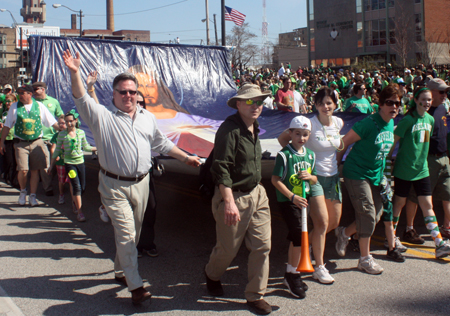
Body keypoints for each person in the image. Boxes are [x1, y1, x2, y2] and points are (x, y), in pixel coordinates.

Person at [62, 49, 201, 304]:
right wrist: (75, 72)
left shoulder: (147, 117)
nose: (128, 95)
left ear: (138, 95)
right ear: (113, 94)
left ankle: (119, 269)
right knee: (127, 235)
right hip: (113, 186)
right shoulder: (101, 117)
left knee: (134, 235)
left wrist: (186, 157)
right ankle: (136, 287)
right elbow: (81, 97)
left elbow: (162, 144)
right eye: (123, 91)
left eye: (132, 92)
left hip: (143, 183)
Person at [205, 84, 272, 315]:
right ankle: (212, 274)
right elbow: (221, 168)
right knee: (228, 250)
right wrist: (229, 202)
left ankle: (255, 295)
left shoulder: (254, 126)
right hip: (234, 196)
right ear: (239, 104)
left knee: (263, 246)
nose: (256, 106)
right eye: (251, 101)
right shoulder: (229, 130)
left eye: (259, 102)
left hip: (257, 193)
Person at [278, 86, 343, 284]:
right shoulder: (310, 124)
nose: (325, 106)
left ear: (335, 104)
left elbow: (339, 147)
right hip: (314, 179)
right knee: (322, 223)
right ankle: (319, 267)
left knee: (334, 223)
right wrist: (297, 157)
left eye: (329, 103)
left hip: (333, 177)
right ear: (315, 105)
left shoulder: (339, 122)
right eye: (321, 103)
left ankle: (310, 246)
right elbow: (283, 138)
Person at [336, 84, 400, 274]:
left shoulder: (390, 123)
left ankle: (344, 233)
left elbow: (381, 154)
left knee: (377, 214)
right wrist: (336, 168)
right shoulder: (368, 123)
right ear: (380, 104)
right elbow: (343, 143)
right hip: (356, 173)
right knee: (368, 214)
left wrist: (383, 179)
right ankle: (364, 259)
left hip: (375, 176)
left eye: (397, 103)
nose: (394, 107)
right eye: (390, 103)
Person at [390, 86, 450, 259]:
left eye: (429, 100)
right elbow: (394, 142)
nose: (426, 103)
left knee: (427, 205)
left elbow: (423, 142)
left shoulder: (430, 120)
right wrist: (387, 162)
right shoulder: (407, 120)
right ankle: (391, 238)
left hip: (422, 169)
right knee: (399, 204)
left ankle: (438, 243)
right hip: (404, 170)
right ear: (415, 100)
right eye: (423, 99)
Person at [272, 116, 320, 299]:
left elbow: (315, 178)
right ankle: (293, 274)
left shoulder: (310, 155)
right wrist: (291, 197)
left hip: (303, 201)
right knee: (299, 236)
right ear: (290, 133)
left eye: (305, 134)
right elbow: (275, 180)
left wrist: (309, 177)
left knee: (297, 237)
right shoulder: (285, 155)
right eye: (297, 133)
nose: (301, 138)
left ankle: (290, 274)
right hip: (288, 201)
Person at [0, 84, 59, 206]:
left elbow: (52, 122)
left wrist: (64, 131)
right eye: (19, 93)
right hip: (21, 143)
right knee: (23, 170)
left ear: (30, 94)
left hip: (37, 141)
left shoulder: (39, 106)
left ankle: (32, 195)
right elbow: (7, 126)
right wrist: (2, 142)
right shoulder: (15, 107)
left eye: (22, 93)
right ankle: (23, 191)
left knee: (35, 171)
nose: (20, 95)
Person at [48, 110, 97, 222]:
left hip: (80, 162)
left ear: (75, 121)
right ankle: (80, 212)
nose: (69, 124)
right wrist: (51, 165)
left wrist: (98, 148)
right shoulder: (62, 134)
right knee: (76, 186)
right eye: (66, 122)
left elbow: (86, 148)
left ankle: (75, 201)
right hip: (69, 164)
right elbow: (57, 151)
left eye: (71, 121)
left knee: (82, 187)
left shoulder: (81, 133)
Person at [32, 81, 64, 196]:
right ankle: (48, 188)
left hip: (53, 137)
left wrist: (62, 128)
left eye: (36, 89)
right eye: (33, 90)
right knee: (45, 164)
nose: (34, 92)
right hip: (40, 138)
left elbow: (60, 115)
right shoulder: (32, 103)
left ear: (43, 89)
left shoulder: (53, 101)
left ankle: (50, 179)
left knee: (55, 162)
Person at [49, 115, 69, 205]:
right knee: (61, 180)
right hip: (60, 162)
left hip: (71, 161)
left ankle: (74, 199)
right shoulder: (56, 136)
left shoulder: (71, 134)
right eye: (60, 123)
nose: (61, 125)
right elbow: (53, 148)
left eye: (63, 123)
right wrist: (53, 159)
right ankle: (61, 194)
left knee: (72, 180)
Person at [1, 94, 19, 188]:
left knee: (16, 161)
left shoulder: (17, 111)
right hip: (7, 138)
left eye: (10, 101)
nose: (8, 103)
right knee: (9, 160)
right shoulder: (4, 113)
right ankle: (7, 176)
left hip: (15, 138)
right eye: (6, 101)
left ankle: (15, 180)